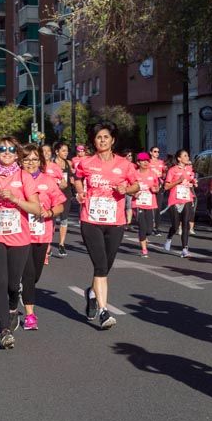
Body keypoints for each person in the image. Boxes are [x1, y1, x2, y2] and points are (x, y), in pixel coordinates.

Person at [0, 138, 43, 349]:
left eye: (11, 149)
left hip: (19, 238)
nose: (6, 152)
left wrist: (15, 199)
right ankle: (4, 330)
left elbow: (36, 209)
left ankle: (13, 307)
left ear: (17, 154)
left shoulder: (24, 176)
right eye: (2, 149)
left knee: (14, 284)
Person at [73, 121, 139, 328]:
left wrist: (125, 190)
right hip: (91, 220)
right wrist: (80, 191)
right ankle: (103, 311)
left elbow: (136, 186)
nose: (102, 140)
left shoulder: (125, 164)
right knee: (100, 265)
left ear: (113, 140)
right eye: (99, 137)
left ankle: (91, 293)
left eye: (106, 137)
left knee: (106, 266)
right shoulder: (86, 163)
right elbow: (77, 178)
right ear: (94, 141)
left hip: (115, 221)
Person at [19, 144, 67, 329]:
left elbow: (60, 205)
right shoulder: (16, 180)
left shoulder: (47, 180)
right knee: (29, 274)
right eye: (26, 159)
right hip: (20, 236)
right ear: (21, 161)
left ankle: (24, 288)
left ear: (40, 161)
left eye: (34, 159)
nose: (30, 163)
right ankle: (30, 316)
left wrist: (48, 213)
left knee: (35, 275)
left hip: (42, 233)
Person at [163, 150, 196, 258]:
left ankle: (185, 249)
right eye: (185, 156)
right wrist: (178, 181)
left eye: (187, 155)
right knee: (176, 225)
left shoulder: (190, 169)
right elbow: (166, 186)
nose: (187, 157)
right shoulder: (172, 170)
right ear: (179, 158)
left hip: (187, 199)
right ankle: (169, 238)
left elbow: (192, 181)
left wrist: (194, 183)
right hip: (174, 200)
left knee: (185, 224)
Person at [130, 152, 161, 257]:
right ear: (138, 162)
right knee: (142, 227)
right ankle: (144, 250)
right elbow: (128, 189)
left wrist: (155, 189)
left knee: (149, 229)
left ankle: (145, 235)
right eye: (143, 161)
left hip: (150, 203)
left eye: (147, 160)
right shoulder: (134, 174)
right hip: (138, 204)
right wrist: (134, 193)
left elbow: (157, 187)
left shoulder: (153, 174)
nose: (146, 162)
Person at [51, 141, 73, 257]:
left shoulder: (69, 163)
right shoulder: (51, 164)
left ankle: (61, 244)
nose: (66, 152)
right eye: (63, 150)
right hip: (54, 195)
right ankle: (48, 244)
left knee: (64, 219)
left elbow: (73, 179)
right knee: (52, 219)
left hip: (66, 194)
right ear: (57, 152)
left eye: (67, 150)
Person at [148, 146, 166, 235]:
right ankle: (150, 226)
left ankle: (156, 227)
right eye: (155, 151)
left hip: (159, 186)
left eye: (158, 152)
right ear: (150, 152)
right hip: (149, 187)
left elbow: (164, 174)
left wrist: (164, 174)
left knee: (158, 207)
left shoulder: (161, 162)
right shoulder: (148, 162)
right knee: (150, 207)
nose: (157, 153)